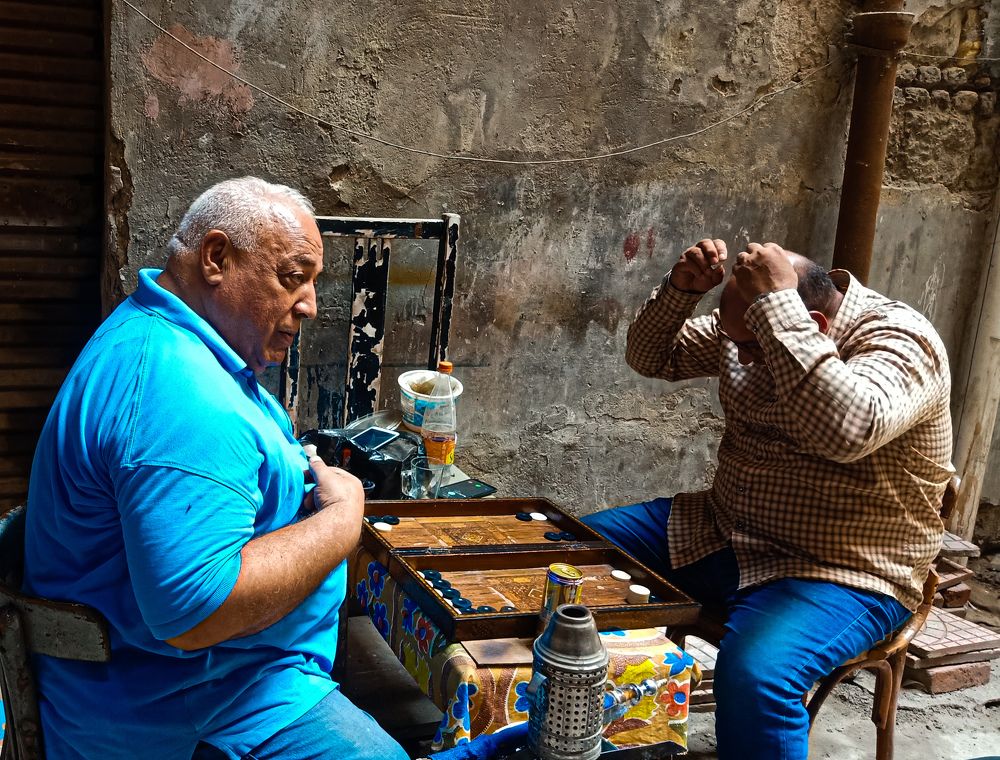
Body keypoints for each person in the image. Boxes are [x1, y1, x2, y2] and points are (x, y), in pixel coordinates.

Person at [23, 177, 409, 760]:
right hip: (195, 703)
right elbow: (195, 610)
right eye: (292, 277)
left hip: (215, 679)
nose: (309, 304)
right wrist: (341, 519)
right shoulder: (178, 389)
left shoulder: (164, 336)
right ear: (216, 258)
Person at [584, 239, 953, 760]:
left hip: (844, 570)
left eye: (752, 347)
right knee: (562, 553)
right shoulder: (747, 331)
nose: (739, 357)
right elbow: (651, 357)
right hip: (721, 531)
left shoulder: (900, 340)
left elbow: (850, 431)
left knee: (758, 681)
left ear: (813, 325)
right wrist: (680, 292)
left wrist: (780, 318)